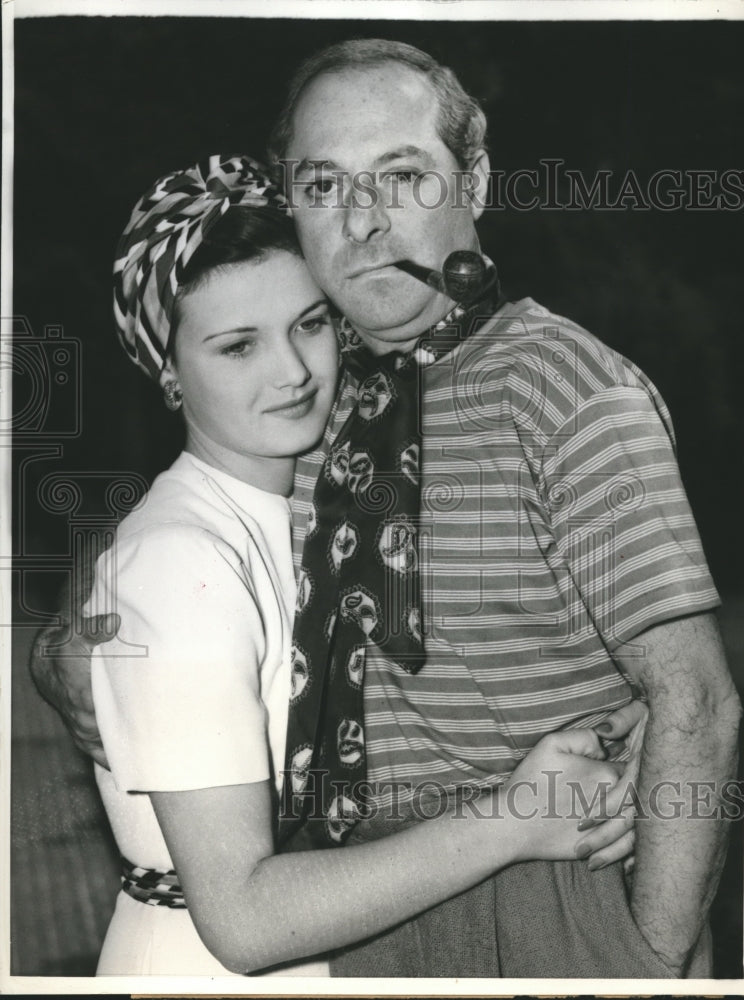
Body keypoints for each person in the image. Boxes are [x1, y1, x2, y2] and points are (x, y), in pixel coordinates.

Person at [31, 40, 741, 979]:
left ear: (474, 181)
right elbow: (175, 536)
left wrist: (652, 957)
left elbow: (698, 698)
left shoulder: (564, 387)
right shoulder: (311, 392)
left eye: (401, 176)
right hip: (369, 917)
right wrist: (67, 644)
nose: (363, 221)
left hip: (560, 890)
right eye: (324, 185)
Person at [77, 153, 632, 977]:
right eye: (238, 346)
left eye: (308, 324)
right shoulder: (176, 558)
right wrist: (517, 818)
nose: (293, 372)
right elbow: (243, 921)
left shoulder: (332, 500)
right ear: (167, 370)